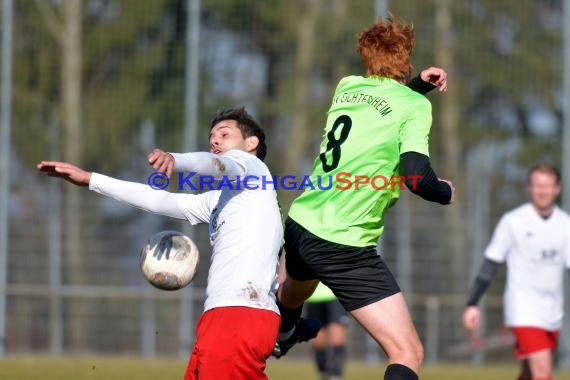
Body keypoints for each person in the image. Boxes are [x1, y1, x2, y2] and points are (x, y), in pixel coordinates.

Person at [37, 107, 283, 380]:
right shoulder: (218, 201)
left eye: (225, 134)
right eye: (211, 136)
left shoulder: (254, 170)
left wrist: (174, 159)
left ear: (251, 144)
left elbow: (216, 164)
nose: (214, 140)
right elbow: (160, 200)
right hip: (221, 314)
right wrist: (91, 180)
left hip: (241, 314)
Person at [273, 14, 455, 380]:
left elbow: (380, 107)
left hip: (301, 223)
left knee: (294, 291)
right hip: (343, 243)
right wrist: (444, 192)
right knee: (407, 352)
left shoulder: (347, 86)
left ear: (366, 57)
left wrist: (418, 83)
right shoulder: (415, 107)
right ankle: (279, 331)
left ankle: (281, 331)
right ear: (406, 59)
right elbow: (417, 177)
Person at [462, 163, 570, 380]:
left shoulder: (565, 224)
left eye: (547, 186)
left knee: (529, 373)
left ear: (557, 189)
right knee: (543, 371)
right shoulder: (513, 221)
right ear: (529, 188)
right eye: (537, 185)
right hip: (523, 310)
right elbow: (490, 264)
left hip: (552, 311)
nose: (542, 191)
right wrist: (472, 303)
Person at [305, 282, 351, 380]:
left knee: (337, 338)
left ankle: (336, 376)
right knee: (318, 342)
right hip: (313, 296)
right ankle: (324, 375)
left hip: (336, 294)